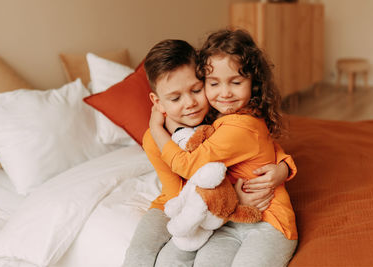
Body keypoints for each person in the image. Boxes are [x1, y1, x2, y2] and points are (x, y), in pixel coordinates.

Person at [122, 38, 296, 267]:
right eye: (175, 98)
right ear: (158, 102)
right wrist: (231, 202)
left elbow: (261, 143)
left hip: (234, 213)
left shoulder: (217, 119)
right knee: (144, 253)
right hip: (180, 205)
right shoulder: (155, 139)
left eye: (196, 89)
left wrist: (284, 166)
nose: (190, 103)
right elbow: (177, 193)